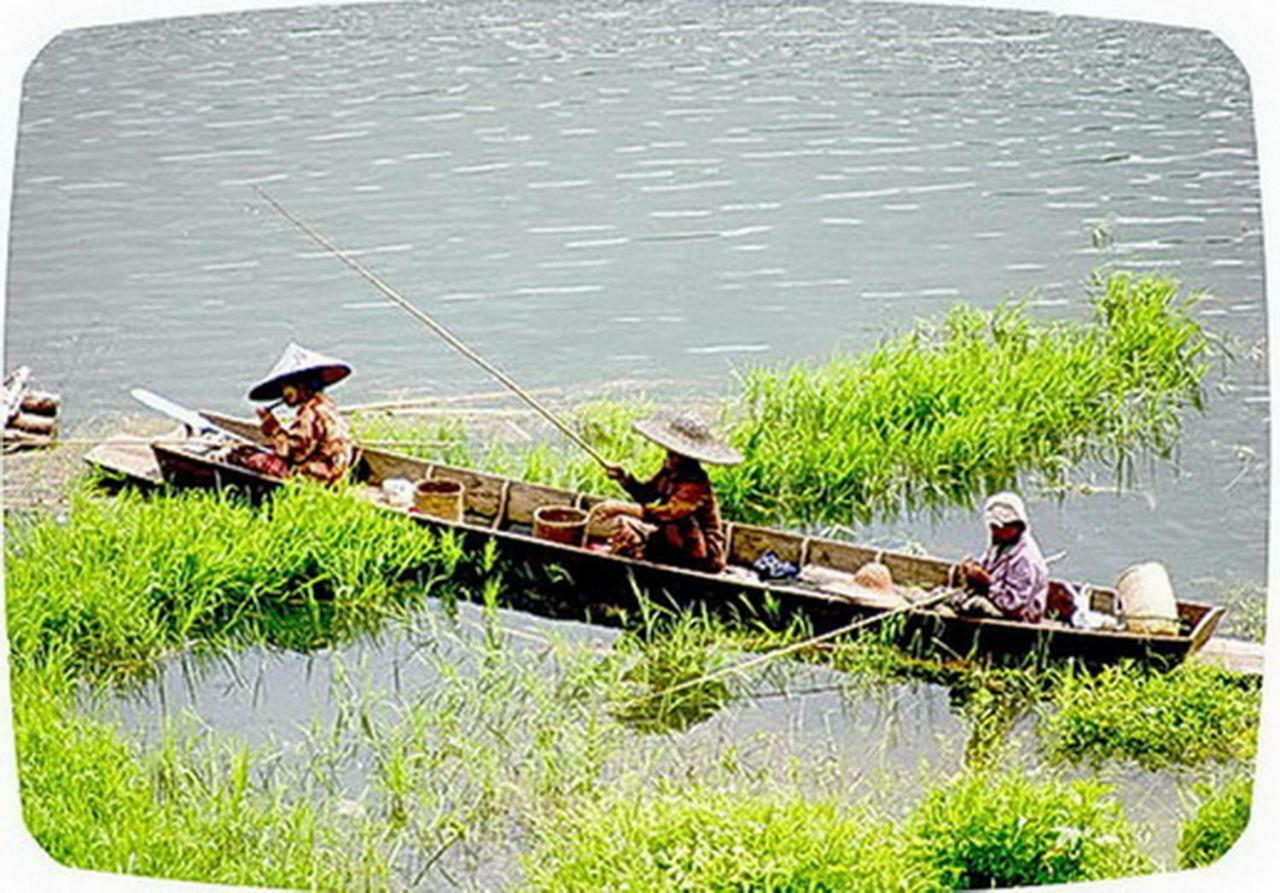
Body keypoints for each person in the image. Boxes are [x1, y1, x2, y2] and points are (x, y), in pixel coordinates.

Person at [590, 413, 741, 573]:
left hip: (704, 555)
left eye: (675, 455)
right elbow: (646, 494)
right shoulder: (670, 471)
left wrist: (619, 507)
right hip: (671, 537)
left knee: (679, 523)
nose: (669, 457)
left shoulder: (696, 484)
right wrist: (624, 478)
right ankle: (652, 553)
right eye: (670, 453)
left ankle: (667, 560)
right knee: (623, 524)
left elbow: (670, 513)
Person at [243, 342, 355, 486]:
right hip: (333, 471)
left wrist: (274, 430)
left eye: (286, 387)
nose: (284, 393)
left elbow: (295, 453)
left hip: (320, 475)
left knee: (257, 461)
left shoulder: (310, 412)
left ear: (301, 385)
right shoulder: (324, 404)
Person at [955, 491, 1048, 623]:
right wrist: (972, 568)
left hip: (1021, 616)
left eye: (998, 527)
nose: (994, 531)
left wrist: (987, 583)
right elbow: (987, 565)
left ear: (1016, 526)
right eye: (992, 527)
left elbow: (1014, 607)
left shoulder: (1025, 559)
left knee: (973, 606)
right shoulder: (1000, 542)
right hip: (997, 598)